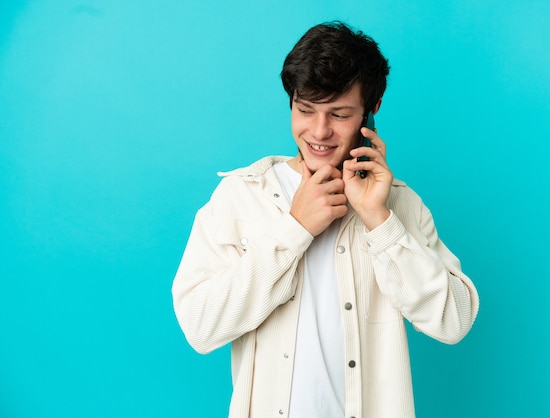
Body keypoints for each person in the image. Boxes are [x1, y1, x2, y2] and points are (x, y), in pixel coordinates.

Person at [172, 21, 479, 418]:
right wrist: (295, 228)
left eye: (339, 114)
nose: (319, 131)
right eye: (305, 110)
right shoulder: (242, 196)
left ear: (372, 110)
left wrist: (379, 221)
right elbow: (200, 328)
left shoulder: (399, 205)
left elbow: (453, 322)